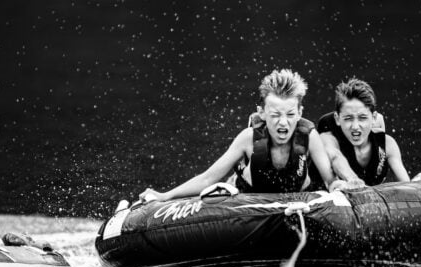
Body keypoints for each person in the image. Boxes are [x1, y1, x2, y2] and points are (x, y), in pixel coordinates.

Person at [139, 69, 351, 202]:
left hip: (298, 203)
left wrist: (340, 186)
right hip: (246, 204)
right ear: (262, 113)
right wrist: (165, 196)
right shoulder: (248, 139)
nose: (283, 122)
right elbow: (208, 178)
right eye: (275, 114)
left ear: (300, 114)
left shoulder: (309, 137)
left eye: (290, 114)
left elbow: (330, 180)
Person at [314, 78, 421, 186]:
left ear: (374, 118)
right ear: (337, 118)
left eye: (362, 118)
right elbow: (335, 157)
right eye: (348, 118)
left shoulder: (388, 144)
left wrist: (415, 185)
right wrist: (353, 179)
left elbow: (405, 186)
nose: (355, 126)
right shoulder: (326, 138)